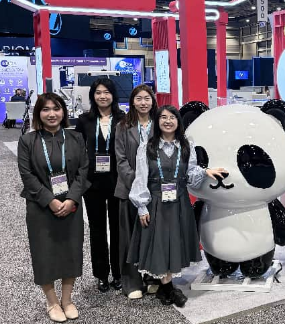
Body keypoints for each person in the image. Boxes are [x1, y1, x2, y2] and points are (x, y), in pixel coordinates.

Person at [128, 106, 227, 307]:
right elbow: (141, 177)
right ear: (157, 121)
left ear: (178, 121)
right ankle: (167, 288)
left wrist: (204, 172)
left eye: (172, 117)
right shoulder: (147, 147)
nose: (168, 121)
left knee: (175, 243)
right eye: (163, 117)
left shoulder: (186, 146)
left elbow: (190, 173)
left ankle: (166, 287)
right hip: (156, 202)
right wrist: (142, 206)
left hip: (179, 202)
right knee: (160, 244)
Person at [17, 93, 90, 323]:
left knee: (71, 251)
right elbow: (27, 175)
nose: (51, 114)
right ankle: (52, 302)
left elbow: (83, 170)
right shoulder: (28, 141)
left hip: (71, 205)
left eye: (56, 109)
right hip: (40, 206)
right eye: (46, 109)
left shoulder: (76, 137)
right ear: (38, 113)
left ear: (63, 112)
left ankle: (67, 300)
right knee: (44, 253)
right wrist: (50, 200)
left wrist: (72, 199)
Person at [75, 78, 126, 293]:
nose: (102, 96)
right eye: (98, 92)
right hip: (93, 182)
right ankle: (101, 274)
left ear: (113, 95)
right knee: (97, 230)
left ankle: (119, 273)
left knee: (118, 229)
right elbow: (78, 151)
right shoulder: (84, 120)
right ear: (92, 96)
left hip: (117, 181)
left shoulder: (124, 119)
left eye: (106, 92)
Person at [115, 84, 158, 299]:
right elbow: (120, 159)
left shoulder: (160, 124)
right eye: (139, 98)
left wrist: (152, 182)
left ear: (153, 101)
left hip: (156, 188)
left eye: (147, 98)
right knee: (129, 237)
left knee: (153, 234)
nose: (143, 102)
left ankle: (153, 277)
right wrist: (138, 182)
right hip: (128, 189)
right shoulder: (123, 126)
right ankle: (131, 281)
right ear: (132, 101)